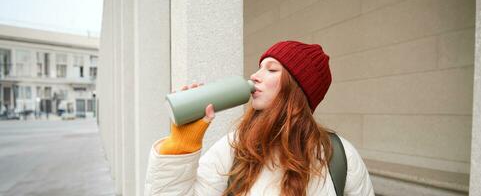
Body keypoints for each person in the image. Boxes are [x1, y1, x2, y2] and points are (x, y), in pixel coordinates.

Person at [144, 41, 374, 196]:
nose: (255, 76)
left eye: (271, 70)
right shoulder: (234, 147)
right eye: (259, 68)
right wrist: (181, 147)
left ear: (298, 90)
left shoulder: (339, 157)